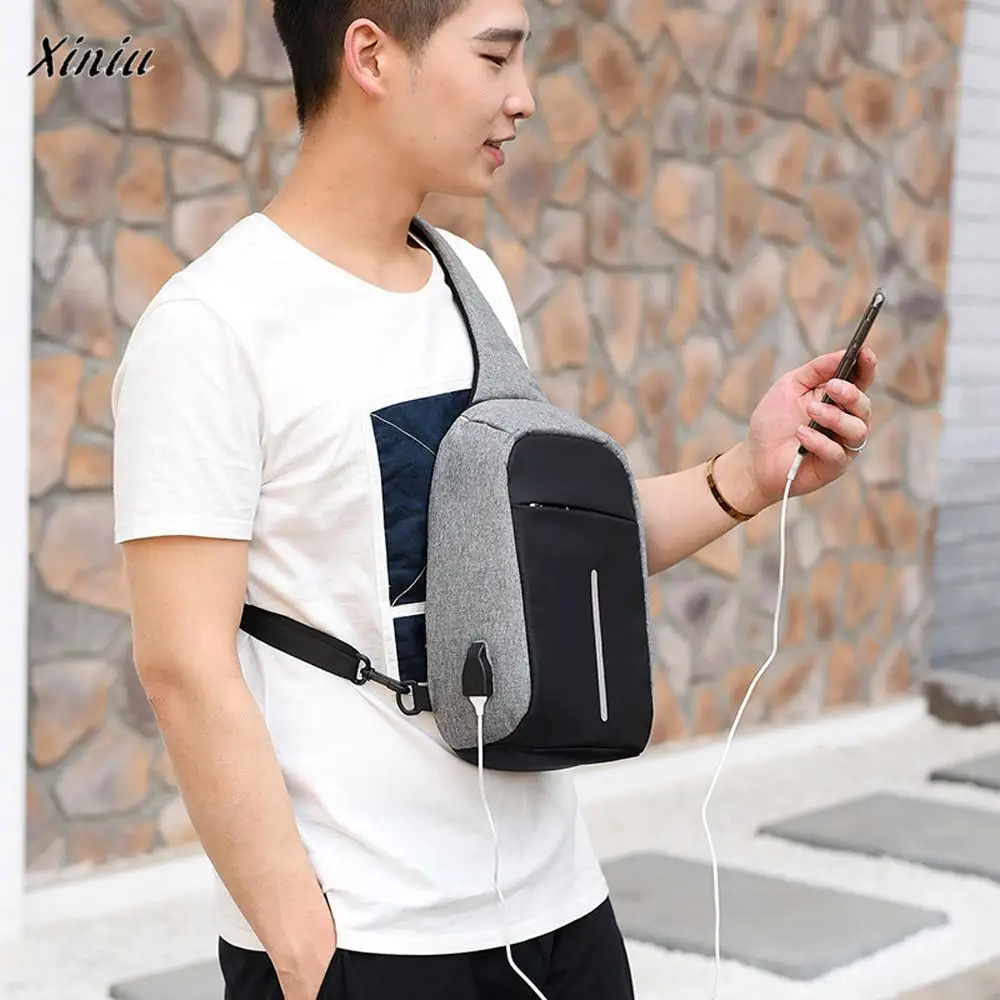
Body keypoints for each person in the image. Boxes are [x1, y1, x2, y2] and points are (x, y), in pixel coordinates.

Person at [111, 0, 878, 996]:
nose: (523, 97)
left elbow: (541, 563)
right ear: (370, 56)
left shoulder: (469, 283)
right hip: (368, 941)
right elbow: (182, 665)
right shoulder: (213, 325)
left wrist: (747, 473)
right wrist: (305, 950)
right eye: (494, 56)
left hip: (560, 910)